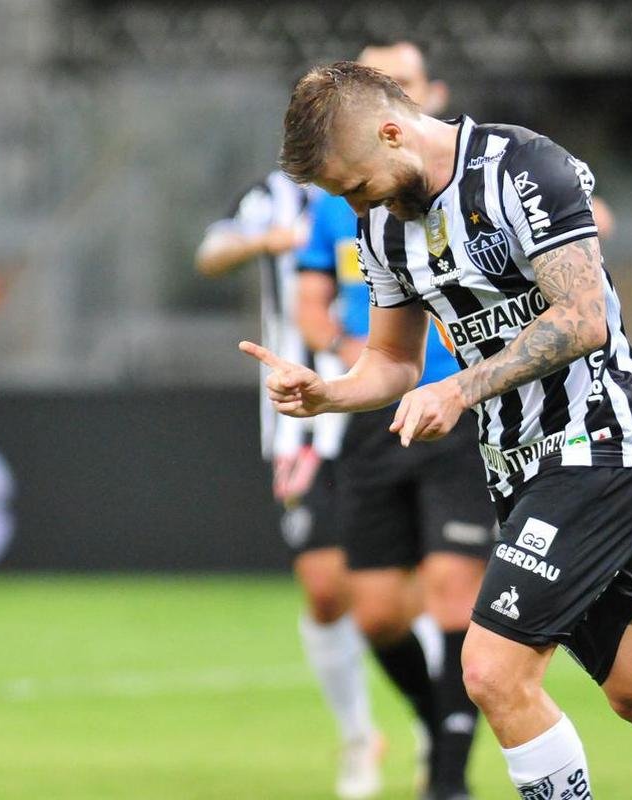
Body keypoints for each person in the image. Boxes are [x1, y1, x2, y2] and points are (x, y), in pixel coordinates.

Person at [243, 61, 632, 799]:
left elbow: (581, 317)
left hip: (597, 448)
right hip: (517, 471)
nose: (354, 202)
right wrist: (331, 393)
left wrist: (463, 386)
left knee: (490, 670)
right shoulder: (382, 226)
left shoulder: (524, 169)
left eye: (353, 183)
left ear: (390, 132)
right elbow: (391, 361)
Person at [295, 41, 494, 800]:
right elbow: (311, 299)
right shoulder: (347, 204)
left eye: (406, 84)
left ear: (418, 99)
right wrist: (335, 357)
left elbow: (581, 214)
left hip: (460, 410)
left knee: (452, 594)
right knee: (375, 613)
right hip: (374, 404)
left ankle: (446, 780)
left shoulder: (478, 179)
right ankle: (436, 719)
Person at [195, 173, 383, 799]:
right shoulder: (272, 196)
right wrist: (269, 240)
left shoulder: (413, 175)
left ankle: (443, 729)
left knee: (412, 589)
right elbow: (211, 252)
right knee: (326, 586)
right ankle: (359, 736)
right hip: (301, 417)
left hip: (388, 396)